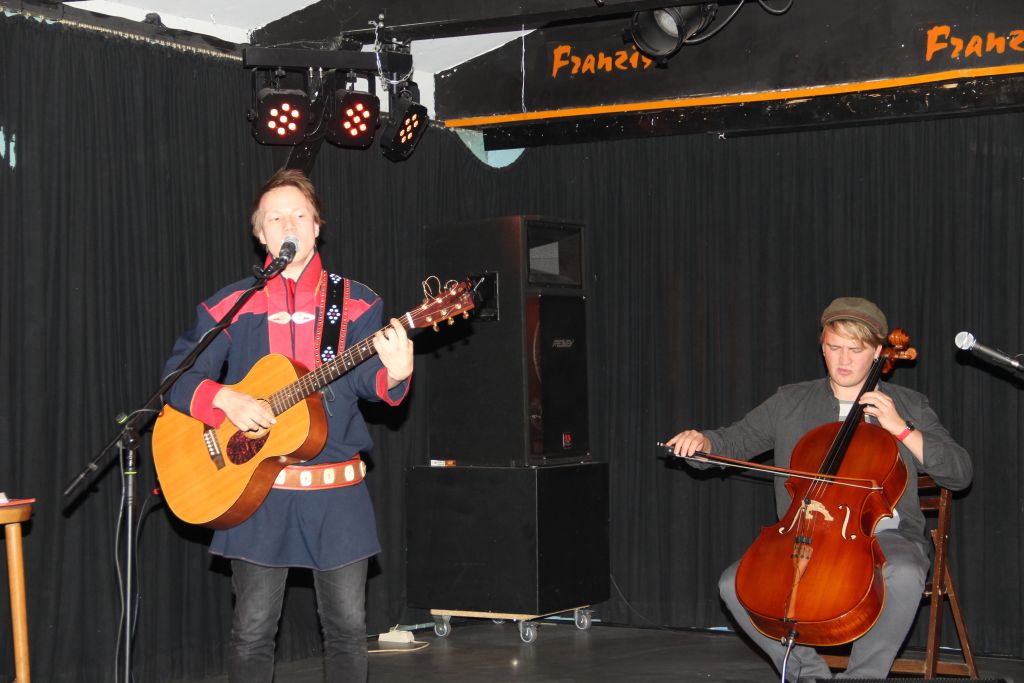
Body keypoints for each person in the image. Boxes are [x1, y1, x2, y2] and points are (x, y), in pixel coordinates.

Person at [162, 168, 413, 683]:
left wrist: (396, 372)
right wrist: (224, 399)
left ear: (317, 227)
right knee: (252, 631)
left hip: (336, 491)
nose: (288, 225)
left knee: (347, 629)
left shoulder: (358, 303)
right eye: (275, 218)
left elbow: (367, 381)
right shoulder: (231, 304)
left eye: (299, 215)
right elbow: (176, 379)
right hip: (257, 491)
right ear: (260, 234)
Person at [665, 297, 972, 682]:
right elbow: (734, 440)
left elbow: (959, 473)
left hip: (884, 537)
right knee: (733, 585)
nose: (843, 360)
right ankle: (809, 675)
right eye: (833, 347)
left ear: (878, 353)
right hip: (802, 536)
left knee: (905, 574)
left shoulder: (908, 404)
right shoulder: (790, 401)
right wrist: (703, 444)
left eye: (855, 350)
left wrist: (901, 429)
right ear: (822, 346)